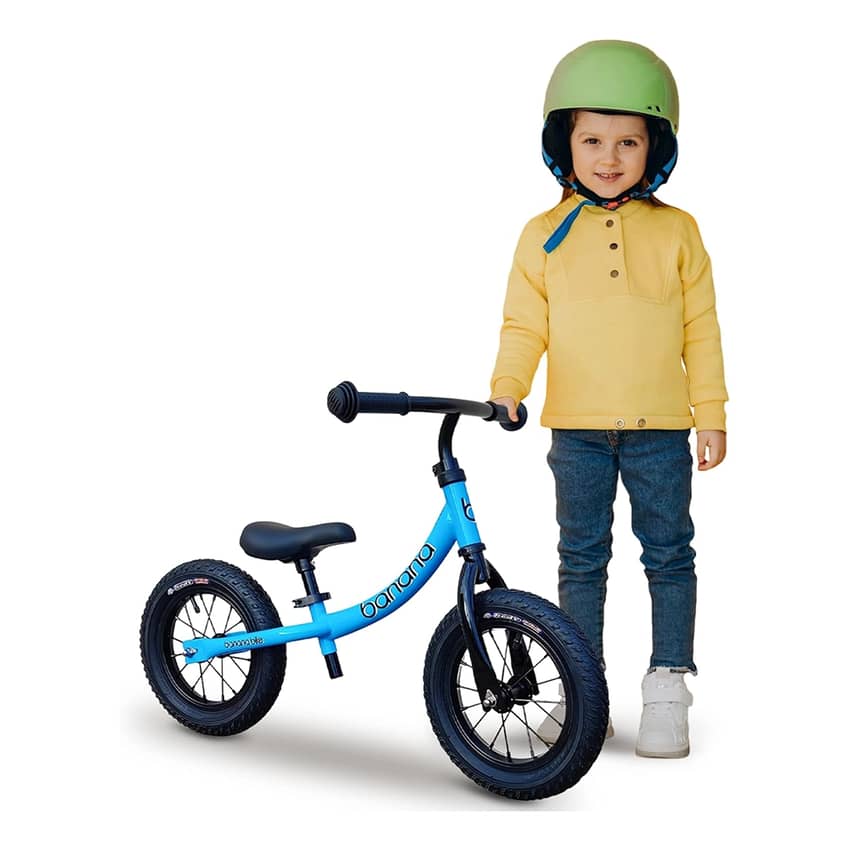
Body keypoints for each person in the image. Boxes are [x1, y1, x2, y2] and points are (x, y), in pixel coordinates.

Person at [489, 40, 728, 759]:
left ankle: (668, 687)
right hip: (577, 430)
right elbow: (523, 325)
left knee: (670, 556)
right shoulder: (542, 235)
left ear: (656, 147)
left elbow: (701, 328)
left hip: (662, 429)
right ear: (563, 142)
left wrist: (712, 414)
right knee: (582, 559)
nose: (610, 157)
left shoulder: (679, 231)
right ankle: (583, 692)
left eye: (629, 141)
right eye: (592, 140)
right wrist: (507, 389)